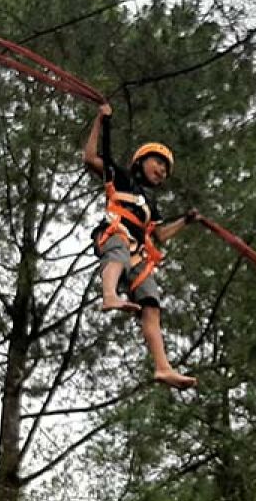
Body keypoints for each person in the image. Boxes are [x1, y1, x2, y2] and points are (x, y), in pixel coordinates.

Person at [83, 103, 198, 390]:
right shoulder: (119, 176)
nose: (162, 170)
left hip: (136, 252)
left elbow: (159, 235)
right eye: (158, 162)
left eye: (166, 170)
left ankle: (163, 367)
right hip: (114, 234)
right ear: (141, 161)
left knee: (151, 301)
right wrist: (101, 119)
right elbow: (90, 157)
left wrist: (186, 220)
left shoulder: (152, 205)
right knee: (119, 248)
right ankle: (109, 295)